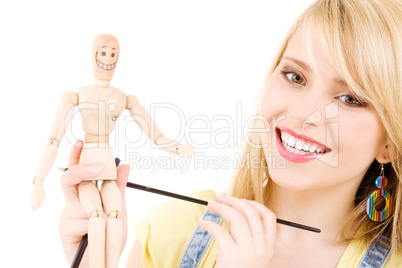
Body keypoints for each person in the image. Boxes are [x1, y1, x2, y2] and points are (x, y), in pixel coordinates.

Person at [59, 0, 402, 267]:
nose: (303, 114)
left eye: (350, 98)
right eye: (295, 77)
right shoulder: (175, 230)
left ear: (388, 142)